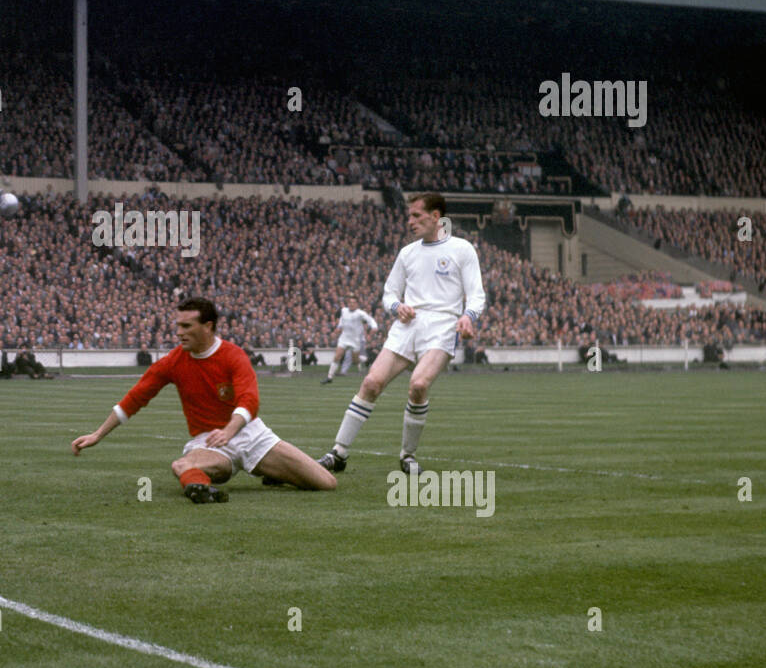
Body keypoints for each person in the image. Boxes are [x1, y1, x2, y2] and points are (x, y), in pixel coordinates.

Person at [71, 296, 336, 503]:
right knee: (182, 465)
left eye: (186, 326)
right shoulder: (173, 362)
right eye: (178, 326)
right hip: (209, 443)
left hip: (251, 435)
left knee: (326, 483)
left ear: (208, 327)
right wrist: (98, 434)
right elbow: (135, 398)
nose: (179, 332)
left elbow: (249, 400)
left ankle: (271, 472)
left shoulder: (233, 355)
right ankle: (199, 491)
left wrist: (230, 430)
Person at [318, 193, 484, 476]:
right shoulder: (407, 253)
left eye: (416, 216)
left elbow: (476, 294)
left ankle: (408, 455)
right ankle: (339, 453)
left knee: (419, 385)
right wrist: (398, 307)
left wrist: (469, 316)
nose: (410, 222)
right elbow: (389, 294)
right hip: (407, 326)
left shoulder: (462, 249)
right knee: (371, 382)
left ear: (436, 216)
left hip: (443, 326)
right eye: (409, 216)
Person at [322, 295, 379, 383]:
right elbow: (341, 324)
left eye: (354, 303)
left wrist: (374, 328)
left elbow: (371, 320)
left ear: (357, 304)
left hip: (355, 340)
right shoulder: (344, 311)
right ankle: (329, 377)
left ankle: (367, 360)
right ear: (348, 303)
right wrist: (335, 332)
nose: (351, 304)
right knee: (337, 356)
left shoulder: (360, 313)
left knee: (356, 361)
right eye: (350, 302)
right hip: (344, 338)